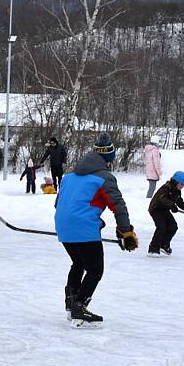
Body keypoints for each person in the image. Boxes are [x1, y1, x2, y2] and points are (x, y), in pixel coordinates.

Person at [54, 132, 138, 327]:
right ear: (109, 157)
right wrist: (126, 232)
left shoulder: (69, 176)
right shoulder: (104, 178)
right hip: (82, 227)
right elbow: (118, 205)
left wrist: (96, 222)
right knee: (95, 269)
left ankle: (71, 301)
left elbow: (61, 203)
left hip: (63, 226)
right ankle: (79, 307)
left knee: (78, 263)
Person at [147, 171, 184, 256]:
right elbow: (162, 198)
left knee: (173, 227)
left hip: (164, 210)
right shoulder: (166, 188)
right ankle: (153, 249)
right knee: (161, 228)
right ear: (175, 181)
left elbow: (180, 202)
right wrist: (172, 205)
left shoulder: (177, 191)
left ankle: (164, 245)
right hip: (156, 209)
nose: (182, 186)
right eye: (181, 184)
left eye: (183, 185)